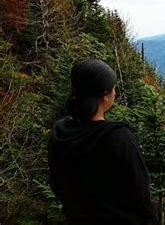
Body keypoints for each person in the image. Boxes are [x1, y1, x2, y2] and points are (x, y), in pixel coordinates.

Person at [48, 58, 157, 224]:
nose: (115, 93)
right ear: (104, 95)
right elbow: (140, 196)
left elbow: (57, 186)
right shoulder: (118, 137)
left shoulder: (60, 132)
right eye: (113, 88)